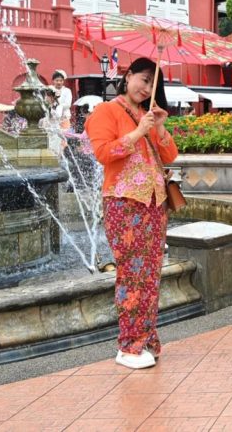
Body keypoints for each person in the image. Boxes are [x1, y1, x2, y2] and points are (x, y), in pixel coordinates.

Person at [85, 57, 178, 370]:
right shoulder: (106, 111)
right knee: (130, 273)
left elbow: (170, 155)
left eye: (153, 83)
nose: (147, 87)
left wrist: (159, 125)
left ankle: (147, 338)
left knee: (150, 275)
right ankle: (128, 346)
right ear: (127, 76)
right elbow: (103, 153)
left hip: (154, 203)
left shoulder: (148, 115)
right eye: (143, 79)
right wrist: (139, 131)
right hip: (124, 203)